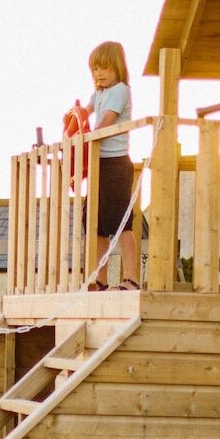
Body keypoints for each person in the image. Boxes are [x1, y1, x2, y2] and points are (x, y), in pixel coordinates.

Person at [85, 39, 141, 290]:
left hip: (116, 164)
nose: (99, 74)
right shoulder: (99, 93)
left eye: (104, 69)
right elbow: (83, 111)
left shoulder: (120, 90)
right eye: (95, 69)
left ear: (117, 67)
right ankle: (100, 278)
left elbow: (107, 122)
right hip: (100, 164)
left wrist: (87, 136)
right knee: (97, 225)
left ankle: (131, 279)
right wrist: (74, 116)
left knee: (121, 223)